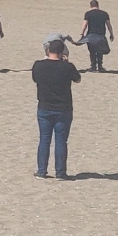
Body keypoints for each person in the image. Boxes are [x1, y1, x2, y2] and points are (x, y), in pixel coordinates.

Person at [32, 39, 80, 179]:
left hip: (45, 106)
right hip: (63, 108)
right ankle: (60, 172)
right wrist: (66, 62)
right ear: (62, 52)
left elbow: (35, 79)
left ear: (48, 51)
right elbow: (77, 79)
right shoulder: (67, 67)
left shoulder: (38, 65)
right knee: (61, 141)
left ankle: (42, 170)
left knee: (44, 139)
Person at [79, 1, 114, 72]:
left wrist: (82, 34)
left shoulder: (88, 14)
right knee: (100, 51)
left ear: (90, 6)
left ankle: (93, 66)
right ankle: (100, 66)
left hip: (91, 35)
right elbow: (108, 25)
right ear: (98, 5)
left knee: (92, 51)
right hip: (101, 35)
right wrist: (111, 34)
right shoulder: (104, 14)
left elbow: (85, 24)